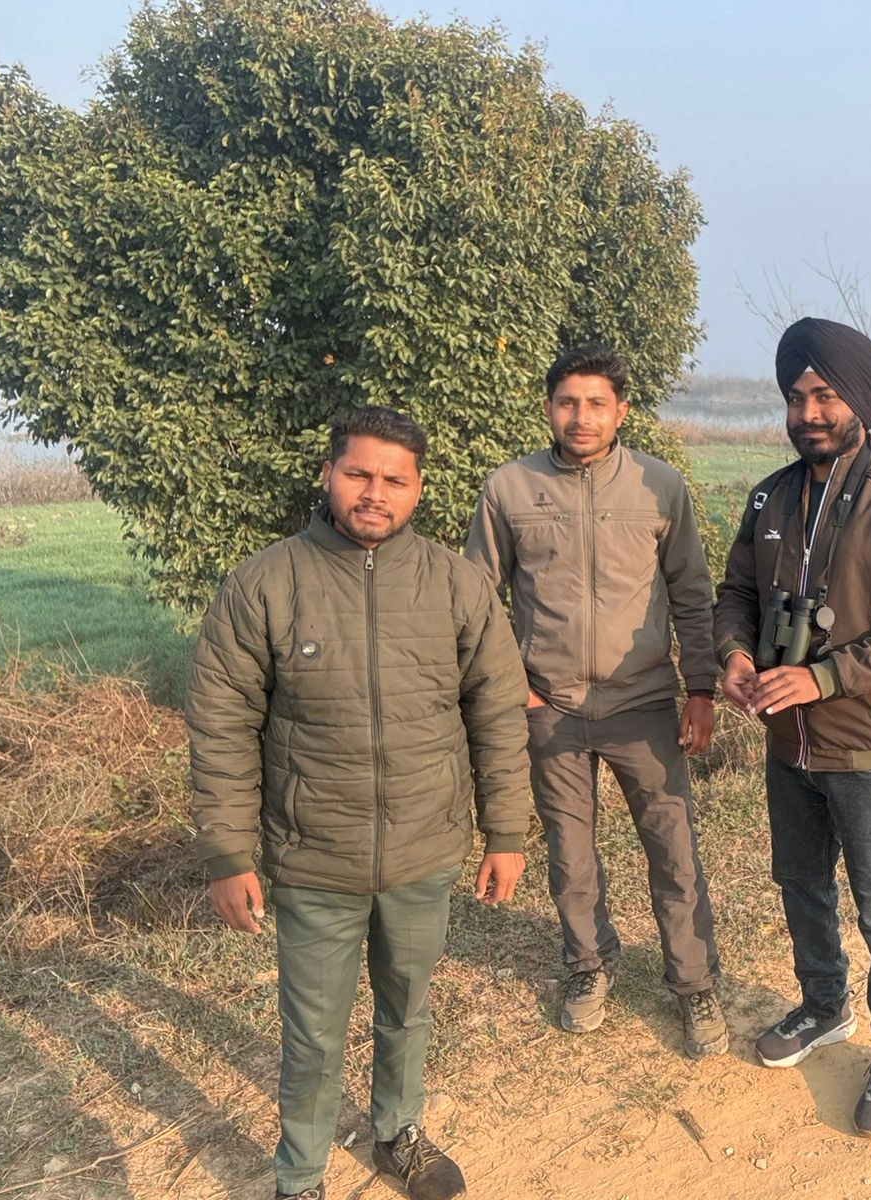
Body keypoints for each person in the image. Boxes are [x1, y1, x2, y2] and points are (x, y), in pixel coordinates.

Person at [188, 406, 531, 1200]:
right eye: (359, 474)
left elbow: (497, 714)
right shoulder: (264, 585)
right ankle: (299, 1177)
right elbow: (221, 725)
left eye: (394, 480)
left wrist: (506, 831)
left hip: (423, 850)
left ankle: (397, 1134)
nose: (375, 493)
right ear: (328, 475)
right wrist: (227, 853)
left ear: (418, 489)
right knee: (312, 1034)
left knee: (407, 1010)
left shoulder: (457, 584)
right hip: (315, 856)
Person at [714, 317, 871, 1137]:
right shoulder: (770, 497)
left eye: (824, 395)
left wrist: (821, 676)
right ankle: (825, 1006)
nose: (808, 412)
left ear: (859, 401)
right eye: (796, 397)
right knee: (801, 884)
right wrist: (734, 654)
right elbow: (735, 595)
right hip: (787, 745)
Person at [465, 343, 727, 1058]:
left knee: (673, 850)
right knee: (570, 853)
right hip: (548, 705)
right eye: (567, 403)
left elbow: (692, 593)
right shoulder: (510, 488)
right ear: (549, 408)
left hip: (643, 702)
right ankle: (587, 965)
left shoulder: (658, 486)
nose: (581, 417)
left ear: (621, 411)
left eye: (596, 404)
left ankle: (694, 983)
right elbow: (476, 598)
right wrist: (510, 682)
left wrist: (701, 688)